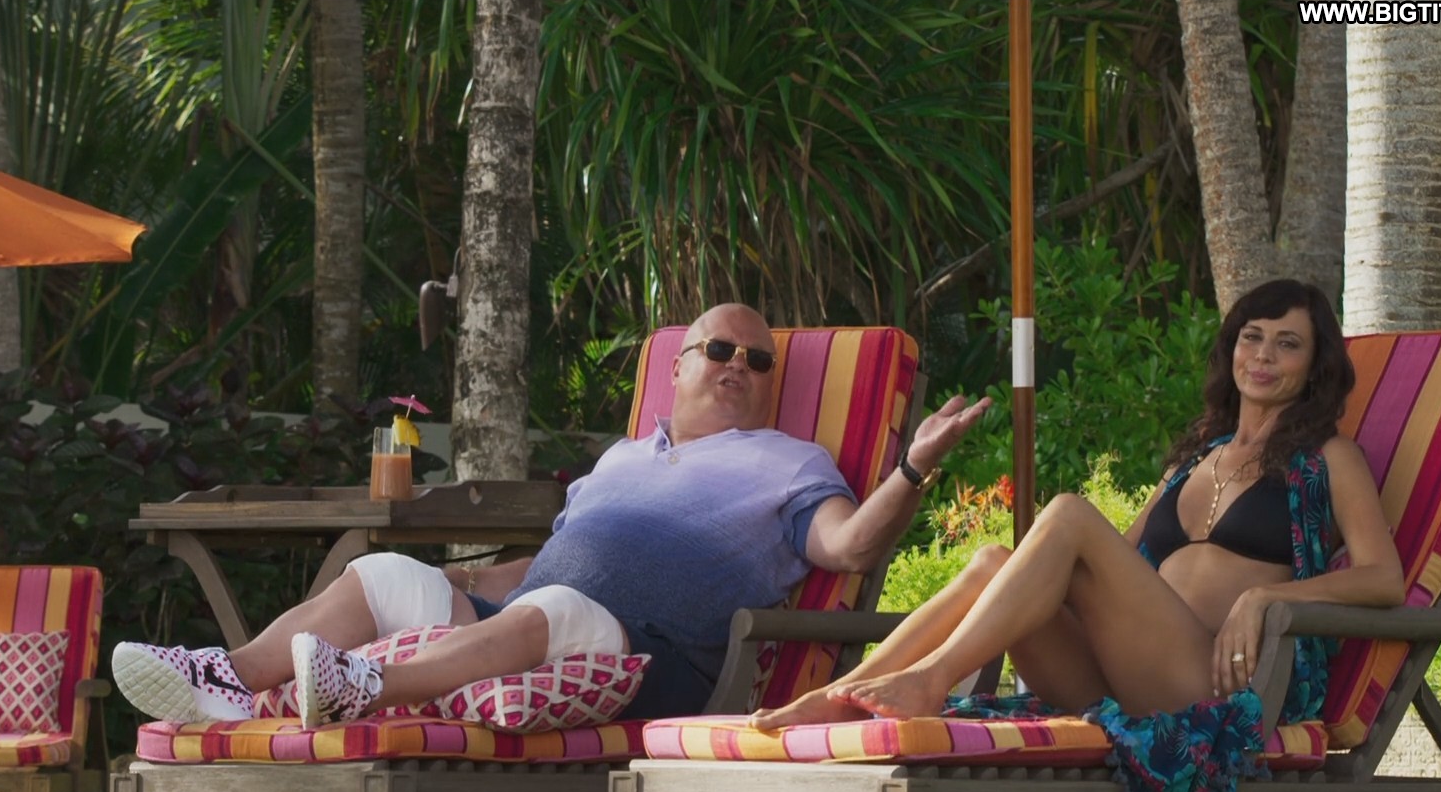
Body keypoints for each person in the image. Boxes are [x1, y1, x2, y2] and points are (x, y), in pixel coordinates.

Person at [114, 303, 990, 729]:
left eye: (758, 361)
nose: (739, 365)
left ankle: (365, 687)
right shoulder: (620, 460)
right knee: (380, 573)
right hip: (532, 620)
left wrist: (913, 466)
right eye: (719, 349)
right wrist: (452, 579)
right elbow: (536, 572)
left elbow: (850, 546)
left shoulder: (790, 461)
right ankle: (225, 678)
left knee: (557, 608)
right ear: (676, 368)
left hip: (655, 658)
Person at [753, 278, 1406, 733]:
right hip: (1119, 677)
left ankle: (931, 678)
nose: (1263, 355)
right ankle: (837, 697)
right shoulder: (1194, 460)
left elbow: (1383, 578)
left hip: (1214, 689)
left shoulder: (1327, 457)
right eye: (1251, 337)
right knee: (992, 561)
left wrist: (1265, 598)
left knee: (1067, 513)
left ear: (1315, 364)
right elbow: (1112, 566)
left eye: (1287, 343)